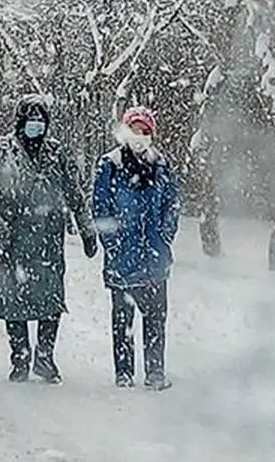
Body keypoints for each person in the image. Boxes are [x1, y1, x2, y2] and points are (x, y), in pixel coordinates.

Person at [0, 94, 98, 383]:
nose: (36, 126)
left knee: (50, 300)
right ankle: (20, 356)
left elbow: (75, 194)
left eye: (41, 121)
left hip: (47, 240)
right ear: (20, 122)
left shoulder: (57, 152)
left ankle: (45, 357)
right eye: (31, 120)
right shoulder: (0, 151)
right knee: (13, 299)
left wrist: (87, 230)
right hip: (11, 240)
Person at [92, 106, 180, 391]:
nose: (140, 137)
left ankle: (155, 371)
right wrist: (113, 244)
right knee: (123, 320)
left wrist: (165, 237)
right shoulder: (110, 164)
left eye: (146, 132)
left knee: (155, 319)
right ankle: (124, 372)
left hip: (154, 258)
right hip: (123, 258)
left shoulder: (161, 165)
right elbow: (100, 207)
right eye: (135, 130)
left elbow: (172, 204)